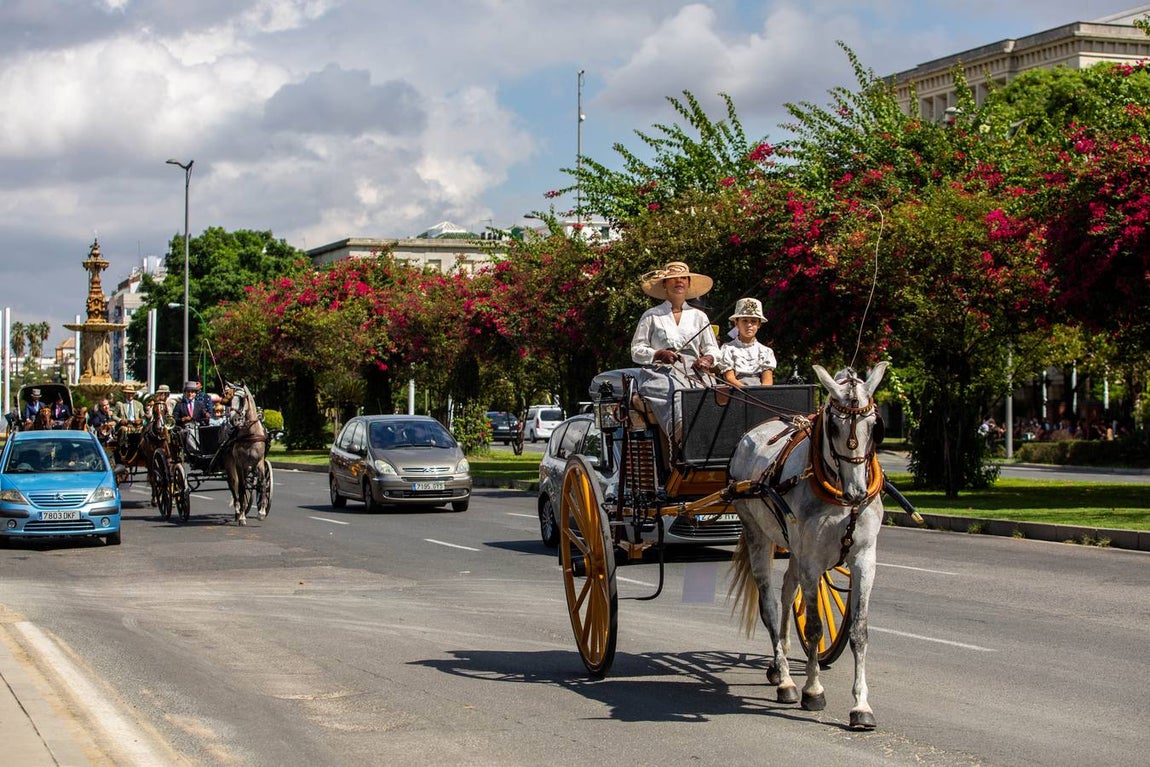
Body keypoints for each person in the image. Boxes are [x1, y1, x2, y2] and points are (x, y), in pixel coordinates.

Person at [630, 261, 720, 441]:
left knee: (716, 396)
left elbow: (712, 348)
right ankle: (683, 434)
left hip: (695, 371)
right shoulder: (651, 315)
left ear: (688, 283)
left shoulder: (699, 316)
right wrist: (658, 354)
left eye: (683, 278)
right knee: (679, 395)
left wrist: (708, 359)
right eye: (673, 279)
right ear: (664, 284)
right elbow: (636, 350)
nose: (679, 281)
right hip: (659, 374)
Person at [716, 297, 776, 387]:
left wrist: (760, 394)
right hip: (736, 393)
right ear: (736, 323)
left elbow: (767, 381)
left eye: (753, 321)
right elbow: (729, 378)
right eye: (744, 321)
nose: (749, 325)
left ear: (759, 324)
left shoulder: (766, 351)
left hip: (759, 395)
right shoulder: (728, 348)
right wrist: (747, 392)